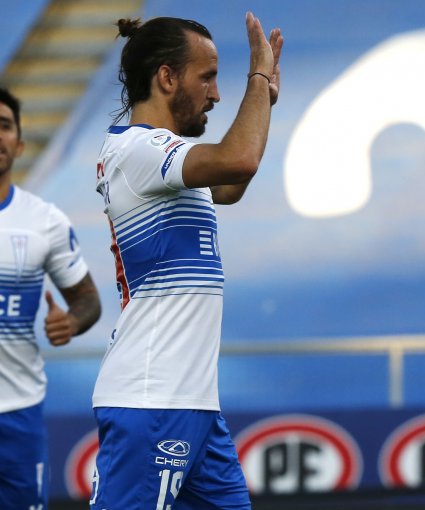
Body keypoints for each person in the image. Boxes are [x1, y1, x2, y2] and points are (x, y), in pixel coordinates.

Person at [89, 13, 282, 508]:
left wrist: (264, 104)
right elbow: (239, 159)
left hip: (193, 401)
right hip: (152, 398)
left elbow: (229, 186)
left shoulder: (166, 157)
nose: (216, 94)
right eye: (208, 77)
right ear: (167, 77)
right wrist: (256, 78)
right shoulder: (139, 150)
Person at [0, 87, 101, 509]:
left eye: (4, 126)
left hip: (17, 414)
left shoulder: (44, 222)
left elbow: (88, 300)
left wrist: (72, 322)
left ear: (19, 144)